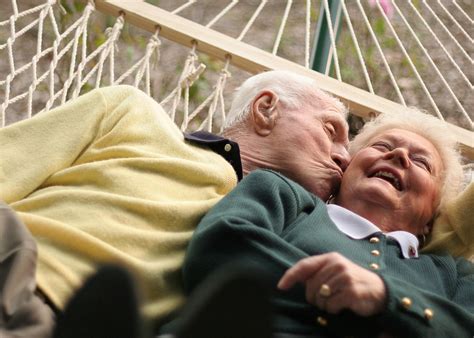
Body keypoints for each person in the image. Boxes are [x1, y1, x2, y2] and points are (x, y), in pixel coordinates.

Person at [0, 70, 350, 337]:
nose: (344, 157)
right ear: (266, 109)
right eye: (330, 130)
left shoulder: (273, 233)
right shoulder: (131, 113)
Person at [181, 109, 473, 337]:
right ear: (345, 171)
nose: (398, 155)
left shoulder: (453, 275)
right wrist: (376, 317)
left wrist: (388, 298)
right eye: (382, 146)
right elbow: (221, 247)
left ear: (432, 216)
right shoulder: (285, 196)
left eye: (421, 162)